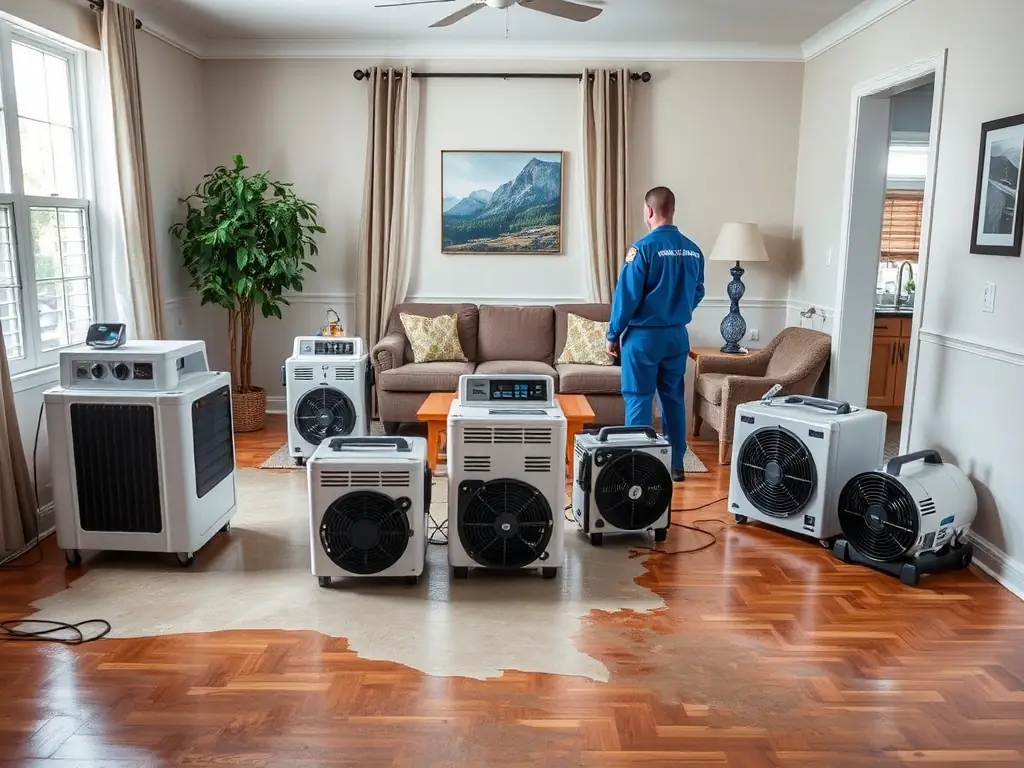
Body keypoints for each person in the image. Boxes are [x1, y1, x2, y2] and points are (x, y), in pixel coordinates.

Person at [606, 186, 705, 482]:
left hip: (644, 337)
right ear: (671, 210)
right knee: (673, 398)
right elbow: (698, 291)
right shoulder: (693, 250)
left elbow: (626, 297)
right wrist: (678, 311)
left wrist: (612, 333)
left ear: (649, 210)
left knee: (639, 397)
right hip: (677, 336)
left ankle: (637, 468)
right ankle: (676, 465)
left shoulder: (643, 249)